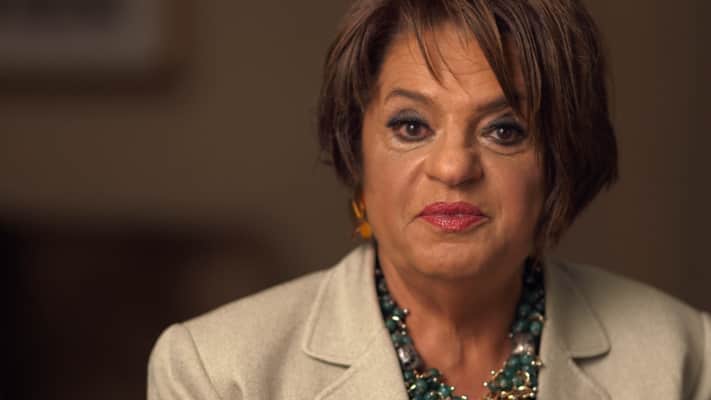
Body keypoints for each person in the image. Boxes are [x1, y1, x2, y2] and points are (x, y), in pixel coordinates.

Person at [147, 0, 710, 399]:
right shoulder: (216, 371)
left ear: (561, 160)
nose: (454, 167)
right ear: (356, 148)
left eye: (505, 130)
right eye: (412, 126)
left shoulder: (686, 356)